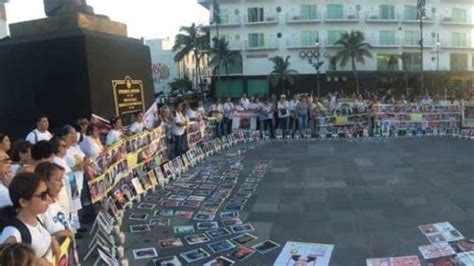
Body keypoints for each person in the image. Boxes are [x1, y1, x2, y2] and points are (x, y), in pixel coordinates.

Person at [0, 173, 60, 265]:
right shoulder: (13, 232)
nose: (48, 198)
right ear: (23, 202)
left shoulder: (36, 218)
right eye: (43, 195)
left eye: (47, 192)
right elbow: (4, 255)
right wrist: (35, 260)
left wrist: (51, 240)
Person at [35, 163, 74, 241]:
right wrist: (57, 236)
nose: (62, 184)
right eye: (58, 180)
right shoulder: (40, 210)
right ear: (45, 181)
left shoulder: (55, 201)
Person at [50, 137, 82, 236]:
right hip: (65, 191)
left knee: (73, 211)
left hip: (72, 188)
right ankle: (72, 232)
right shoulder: (55, 161)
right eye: (63, 146)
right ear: (57, 148)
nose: (66, 148)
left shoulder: (62, 159)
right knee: (68, 212)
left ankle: (76, 228)